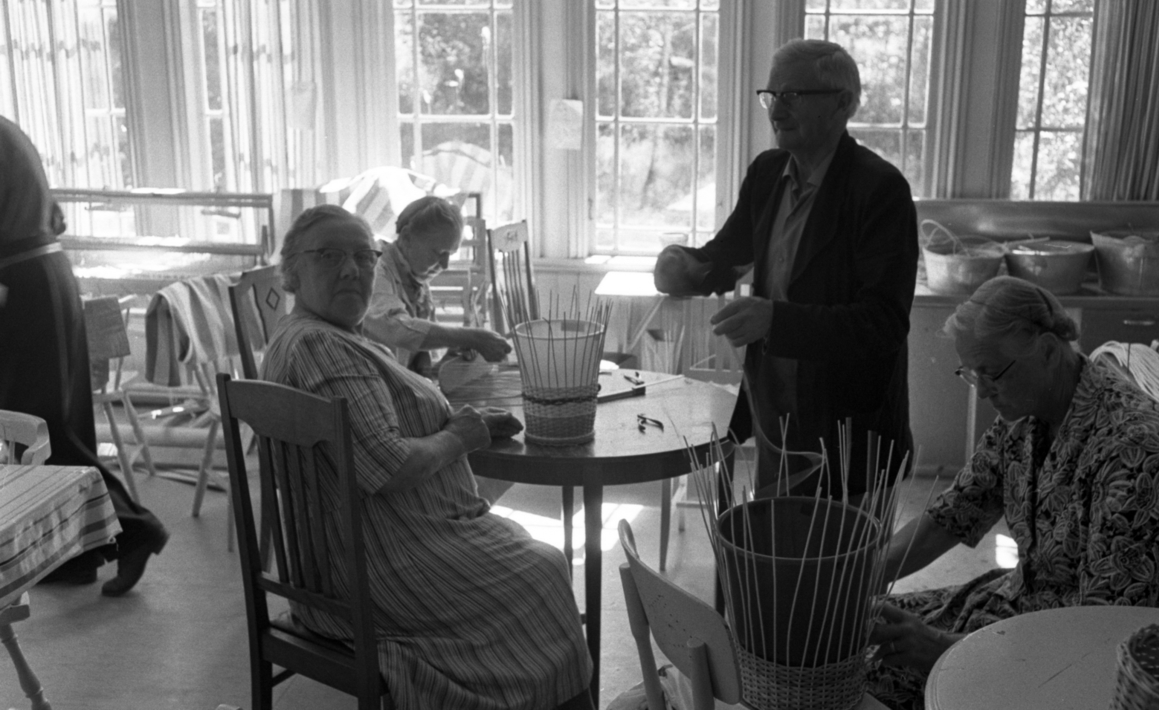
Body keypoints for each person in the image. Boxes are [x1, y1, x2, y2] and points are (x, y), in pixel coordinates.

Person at [261, 204, 593, 710]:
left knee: (534, 558)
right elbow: (390, 465)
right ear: (293, 271)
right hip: (372, 571)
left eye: (363, 257)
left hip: (351, 552)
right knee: (542, 571)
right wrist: (458, 437)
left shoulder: (313, 334)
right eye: (329, 256)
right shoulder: (320, 347)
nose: (351, 270)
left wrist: (455, 422)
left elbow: (373, 428)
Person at [867, 276, 1159, 710]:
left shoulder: (1135, 453)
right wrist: (859, 579)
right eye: (972, 374)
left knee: (882, 678)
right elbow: (952, 515)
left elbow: (1099, 634)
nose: (982, 391)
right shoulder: (1026, 418)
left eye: (991, 373)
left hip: (1084, 661)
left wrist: (939, 648)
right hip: (1024, 604)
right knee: (860, 641)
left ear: (1046, 350)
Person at [653, 38, 919, 502]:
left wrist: (775, 321)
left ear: (843, 104)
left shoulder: (879, 190)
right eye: (772, 96)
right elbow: (728, 254)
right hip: (775, 415)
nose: (776, 110)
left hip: (849, 430)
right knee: (777, 542)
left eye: (793, 96)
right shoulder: (767, 173)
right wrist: (686, 265)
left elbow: (883, 323)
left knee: (844, 550)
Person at [0, 115, 169, 596]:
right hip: (38, 274)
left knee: (39, 432)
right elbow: (56, 217)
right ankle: (76, 555)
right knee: (49, 424)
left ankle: (135, 529)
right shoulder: (7, 130)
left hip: (22, 281)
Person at [363, 195, 510, 376]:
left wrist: (447, 357)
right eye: (439, 252)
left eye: (450, 255)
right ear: (407, 237)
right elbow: (397, 329)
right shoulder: (376, 271)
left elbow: (419, 356)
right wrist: (469, 337)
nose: (445, 265)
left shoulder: (417, 279)